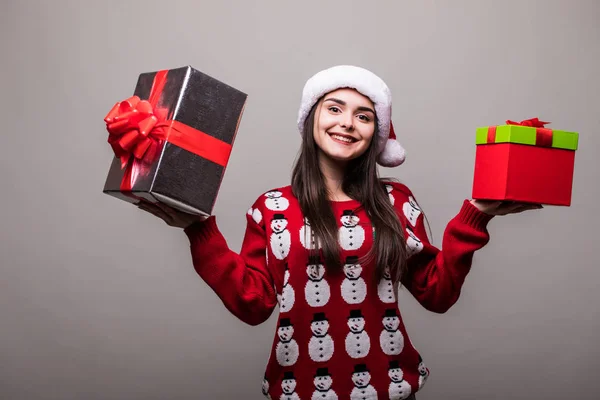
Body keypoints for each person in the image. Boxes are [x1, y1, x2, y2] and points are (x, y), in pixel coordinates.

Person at [137, 65, 542, 400]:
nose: (347, 123)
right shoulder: (271, 207)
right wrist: (198, 229)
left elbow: (438, 294)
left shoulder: (395, 201)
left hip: (391, 389)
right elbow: (253, 304)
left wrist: (475, 217)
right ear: (312, 117)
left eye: (364, 116)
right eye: (334, 109)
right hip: (299, 391)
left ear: (375, 133)